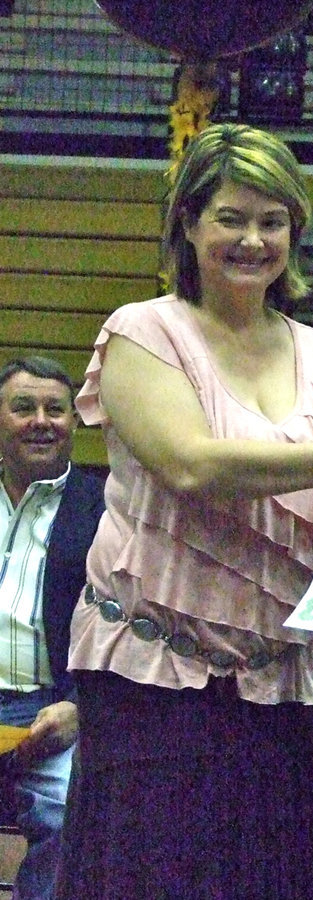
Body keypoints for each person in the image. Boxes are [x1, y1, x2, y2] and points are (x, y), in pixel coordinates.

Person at [53, 123, 313, 900]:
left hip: (276, 689)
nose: (251, 240)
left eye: (272, 221)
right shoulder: (145, 331)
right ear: (188, 226)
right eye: (231, 218)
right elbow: (192, 465)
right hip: (152, 684)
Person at [0, 356, 103, 900]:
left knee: (74, 814)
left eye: (55, 410)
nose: (41, 420)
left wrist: (82, 707)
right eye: (23, 408)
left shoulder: (108, 508)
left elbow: (134, 626)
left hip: (56, 712)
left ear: (74, 422)